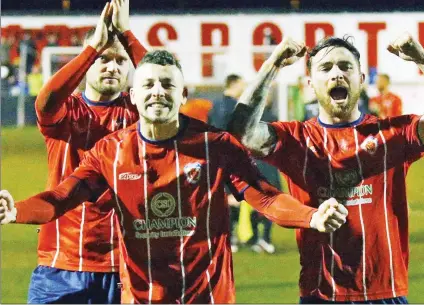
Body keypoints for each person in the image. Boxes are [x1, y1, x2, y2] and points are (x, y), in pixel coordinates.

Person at [0, 49, 349, 304]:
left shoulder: (217, 146)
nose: (158, 92)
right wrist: (17, 211)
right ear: (133, 96)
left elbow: (266, 197)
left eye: (168, 85)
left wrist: (311, 216)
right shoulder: (111, 152)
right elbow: (62, 198)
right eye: (149, 84)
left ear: (183, 95)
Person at [227, 34, 424, 303]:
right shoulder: (295, 140)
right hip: (321, 295)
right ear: (310, 85)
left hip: (385, 294)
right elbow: (240, 133)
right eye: (325, 69)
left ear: (361, 80)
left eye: (345, 66)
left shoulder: (393, 135)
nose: (337, 74)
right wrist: (273, 64)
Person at [26, 1, 147, 303]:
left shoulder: (139, 112)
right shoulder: (66, 112)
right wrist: (93, 47)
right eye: (104, 59)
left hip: (125, 264)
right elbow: (45, 100)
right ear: (88, 62)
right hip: (62, 262)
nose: (112, 67)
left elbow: (174, 91)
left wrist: (128, 35)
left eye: (121, 61)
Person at [208, 73, 247, 252]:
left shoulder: (214, 106)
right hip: (231, 158)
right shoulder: (235, 107)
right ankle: (230, 238)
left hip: (214, 158)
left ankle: (223, 237)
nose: (244, 87)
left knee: (221, 199)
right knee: (233, 198)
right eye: (242, 84)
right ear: (234, 84)